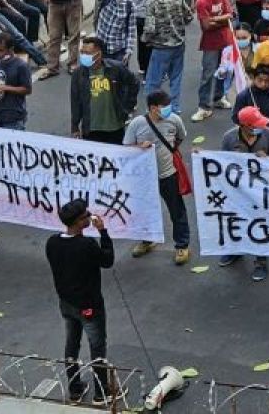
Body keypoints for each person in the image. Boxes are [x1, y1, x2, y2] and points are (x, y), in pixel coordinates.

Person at [45, 199, 114, 405]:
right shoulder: (86, 245)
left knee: (71, 345)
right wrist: (103, 232)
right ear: (77, 222)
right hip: (89, 305)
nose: (89, 216)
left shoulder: (52, 242)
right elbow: (107, 260)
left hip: (66, 303)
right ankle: (102, 392)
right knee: (97, 347)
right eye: (85, 216)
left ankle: (75, 389)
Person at [124, 91, 190, 265]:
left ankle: (182, 245)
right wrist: (139, 147)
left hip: (168, 174)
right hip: (145, 178)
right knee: (145, 210)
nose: (169, 109)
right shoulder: (137, 124)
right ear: (153, 108)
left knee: (177, 211)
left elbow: (180, 137)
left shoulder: (174, 120)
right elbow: (126, 148)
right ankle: (147, 240)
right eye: (164, 107)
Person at [219, 105, 269, 280]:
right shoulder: (229, 138)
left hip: (260, 191)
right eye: (255, 124)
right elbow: (220, 162)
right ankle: (235, 251)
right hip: (238, 191)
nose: (259, 127)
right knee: (237, 221)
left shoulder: (267, 134)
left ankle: (261, 262)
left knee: (260, 224)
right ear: (244, 125)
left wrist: (268, 159)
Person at [142, 0, 193, 113]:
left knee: (154, 81)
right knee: (175, 78)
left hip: (160, 47)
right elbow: (188, 16)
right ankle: (175, 107)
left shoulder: (152, 2)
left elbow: (150, 28)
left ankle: (152, 109)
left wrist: (145, 39)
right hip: (178, 44)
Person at [191, 0, 233, 123]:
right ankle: (203, 107)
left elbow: (231, 15)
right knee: (208, 75)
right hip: (210, 44)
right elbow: (207, 26)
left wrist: (216, 19)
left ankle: (218, 97)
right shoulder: (202, 1)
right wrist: (222, 20)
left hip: (226, 41)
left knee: (224, 71)